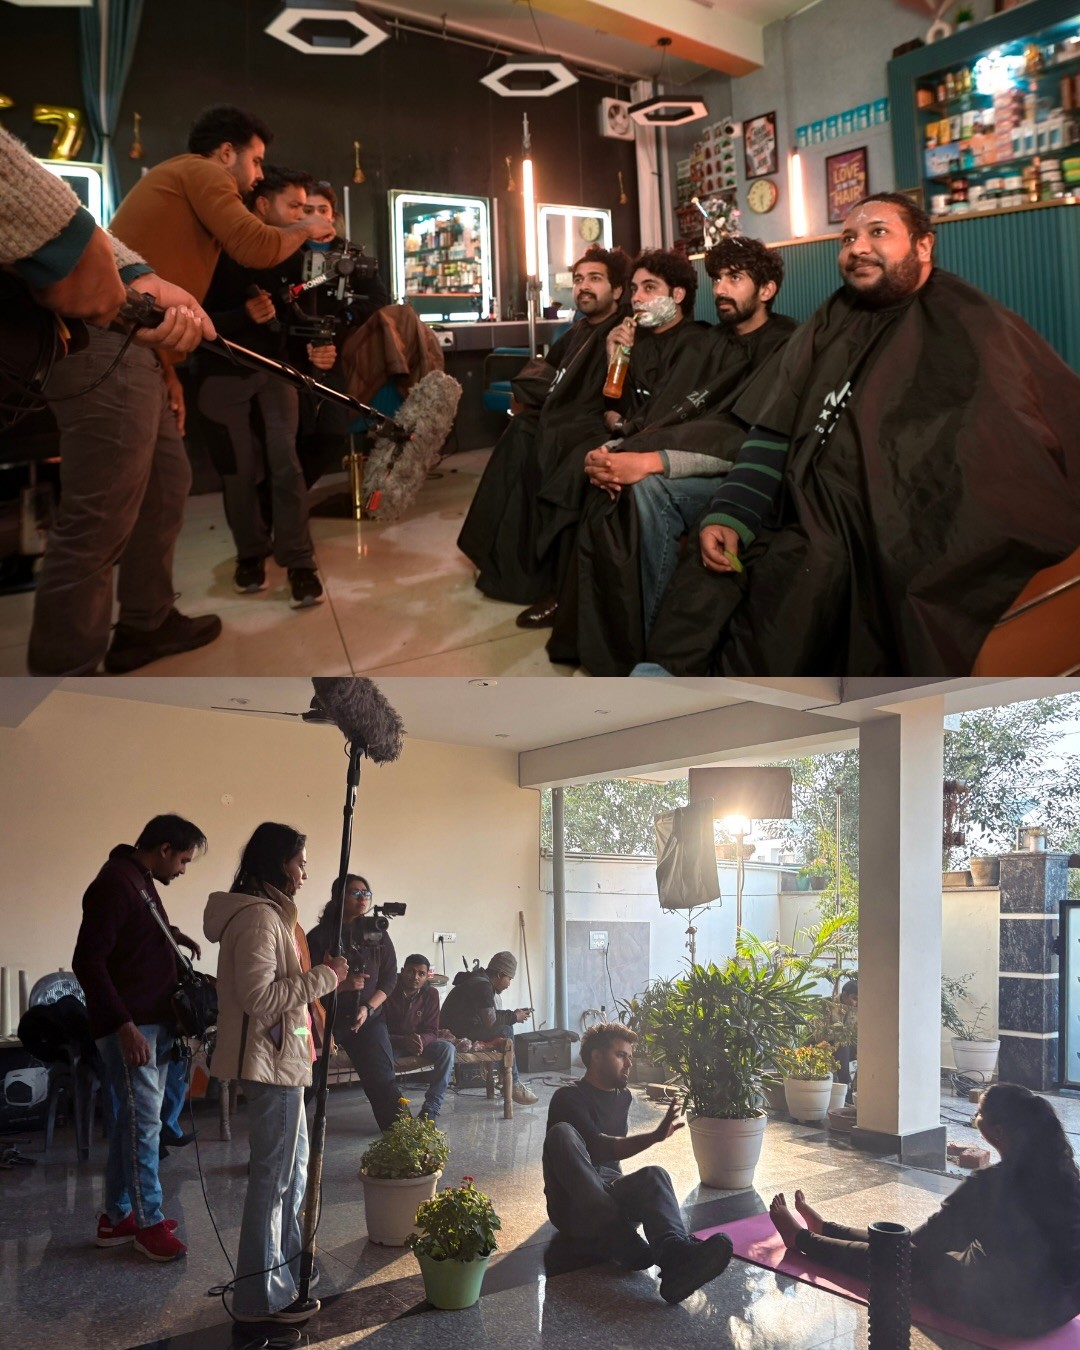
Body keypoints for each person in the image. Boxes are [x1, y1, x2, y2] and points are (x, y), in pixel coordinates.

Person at [647, 192, 1080, 676]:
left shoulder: (973, 325)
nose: (857, 247)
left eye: (878, 232)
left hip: (894, 527)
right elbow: (774, 430)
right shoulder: (828, 322)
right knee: (705, 579)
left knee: (802, 584)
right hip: (802, 505)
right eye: (848, 237)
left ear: (923, 246)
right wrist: (731, 512)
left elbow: (994, 453)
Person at [26, 104, 334, 677]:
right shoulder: (200, 171)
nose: (259, 176)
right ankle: (63, 677)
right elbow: (255, 245)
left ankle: (146, 622)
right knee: (98, 514)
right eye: (256, 161)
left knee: (169, 482)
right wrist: (307, 226)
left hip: (136, 351)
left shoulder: (187, 185)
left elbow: (160, 292)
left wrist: (166, 372)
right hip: (104, 345)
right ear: (226, 153)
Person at [547, 236, 797, 674]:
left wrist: (649, 461)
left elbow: (752, 436)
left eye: (734, 279)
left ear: (767, 290)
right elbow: (663, 415)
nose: (720, 289)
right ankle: (612, 635)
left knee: (647, 490)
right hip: (693, 453)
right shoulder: (711, 344)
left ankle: (653, 642)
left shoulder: (788, 344)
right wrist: (615, 450)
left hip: (753, 474)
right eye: (718, 278)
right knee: (605, 482)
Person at [768, 1083, 1080, 1337]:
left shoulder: (990, 1186)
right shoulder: (1067, 1172)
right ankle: (827, 1229)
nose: (975, 1119)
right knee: (917, 1251)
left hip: (1011, 1313)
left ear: (996, 1132)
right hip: (1061, 1307)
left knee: (902, 1259)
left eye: (978, 1114)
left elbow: (911, 1248)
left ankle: (802, 1240)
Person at [203, 822, 346, 1325]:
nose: (306, 871)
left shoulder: (271, 915)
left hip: (286, 1061)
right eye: (300, 861)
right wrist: (326, 977)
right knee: (274, 1179)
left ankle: (284, 1275)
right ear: (278, 862)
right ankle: (260, 1296)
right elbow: (261, 999)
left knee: (292, 1173)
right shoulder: (260, 919)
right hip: (270, 1065)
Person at [535, 247, 716, 635]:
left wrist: (620, 436)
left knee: (599, 484)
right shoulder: (638, 341)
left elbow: (663, 417)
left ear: (678, 295)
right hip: (633, 438)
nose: (637, 298)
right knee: (572, 464)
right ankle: (570, 602)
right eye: (635, 289)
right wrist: (613, 354)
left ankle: (611, 624)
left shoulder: (699, 343)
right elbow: (612, 405)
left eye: (649, 288)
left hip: (669, 449)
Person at [457, 246, 629, 615]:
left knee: (550, 445)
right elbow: (550, 371)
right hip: (563, 417)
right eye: (579, 279)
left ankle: (547, 580)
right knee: (520, 432)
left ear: (617, 290)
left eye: (595, 279)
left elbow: (621, 395)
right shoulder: (578, 329)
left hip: (597, 423)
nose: (583, 287)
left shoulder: (625, 330)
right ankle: (499, 557)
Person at [71, 813, 207, 1263]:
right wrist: (123, 1025)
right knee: (144, 1128)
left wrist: (173, 937)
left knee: (135, 1125)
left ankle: (116, 1216)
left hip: (151, 1022)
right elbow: (88, 961)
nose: (184, 870)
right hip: (133, 1027)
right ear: (164, 849)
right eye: (184, 860)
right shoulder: (116, 882)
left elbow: (133, 938)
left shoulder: (138, 878)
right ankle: (149, 1222)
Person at [197, 165, 326, 607]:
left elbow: (301, 322)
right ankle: (250, 554)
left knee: (285, 462)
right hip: (219, 373)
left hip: (276, 372)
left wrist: (311, 344)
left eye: (307, 208)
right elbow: (187, 315)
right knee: (238, 470)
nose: (301, 215)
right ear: (262, 205)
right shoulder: (217, 247)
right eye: (293, 206)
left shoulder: (299, 256)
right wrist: (239, 318)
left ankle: (299, 561)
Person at [543, 1022, 734, 1304]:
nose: (629, 1063)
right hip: (573, 1207)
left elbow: (612, 1161)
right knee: (562, 1134)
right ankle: (618, 1236)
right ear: (596, 1056)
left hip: (607, 1197)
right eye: (621, 1055)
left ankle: (675, 1262)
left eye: (630, 1056)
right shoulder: (567, 1097)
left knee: (655, 1176)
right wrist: (655, 1136)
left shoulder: (624, 1097)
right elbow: (597, 1145)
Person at [305, 874, 402, 1132]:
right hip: (326, 1020)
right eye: (355, 893)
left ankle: (403, 1140)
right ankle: (284, 1144)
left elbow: (390, 978)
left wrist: (368, 1008)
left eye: (366, 893)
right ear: (339, 898)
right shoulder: (318, 937)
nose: (362, 898)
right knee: (306, 1083)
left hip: (367, 1019)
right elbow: (306, 987)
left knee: (383, 1080)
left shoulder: (376, 933)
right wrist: (341, 986)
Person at [439, 951, 539, 1106]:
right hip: (456, 1032)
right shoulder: (482, 985)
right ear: (499, 974)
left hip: (460, 1027)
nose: (509, 984)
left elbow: (488, 1015)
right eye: (509, 979)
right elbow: (490, 1023)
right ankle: (512, 1083)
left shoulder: (478, 980)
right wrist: (513, 1017)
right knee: (506, 1030)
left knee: (505, 1027)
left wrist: (513, 1014)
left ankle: (506, 1078)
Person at [384, 953, 456, 1120]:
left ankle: (431, 1109)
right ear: (402, 971)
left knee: (448, 1049)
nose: (415, 977)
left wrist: (421, 1041)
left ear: (426, 977)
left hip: (420, 1043)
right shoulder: (388, 990)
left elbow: (432, 1030)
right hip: (393, 1042)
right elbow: (380, 1029)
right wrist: (404, 1041)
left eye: (421, 974)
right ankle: (396, 1111)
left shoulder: (431, 994)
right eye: (410, 971)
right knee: (381, 1062)